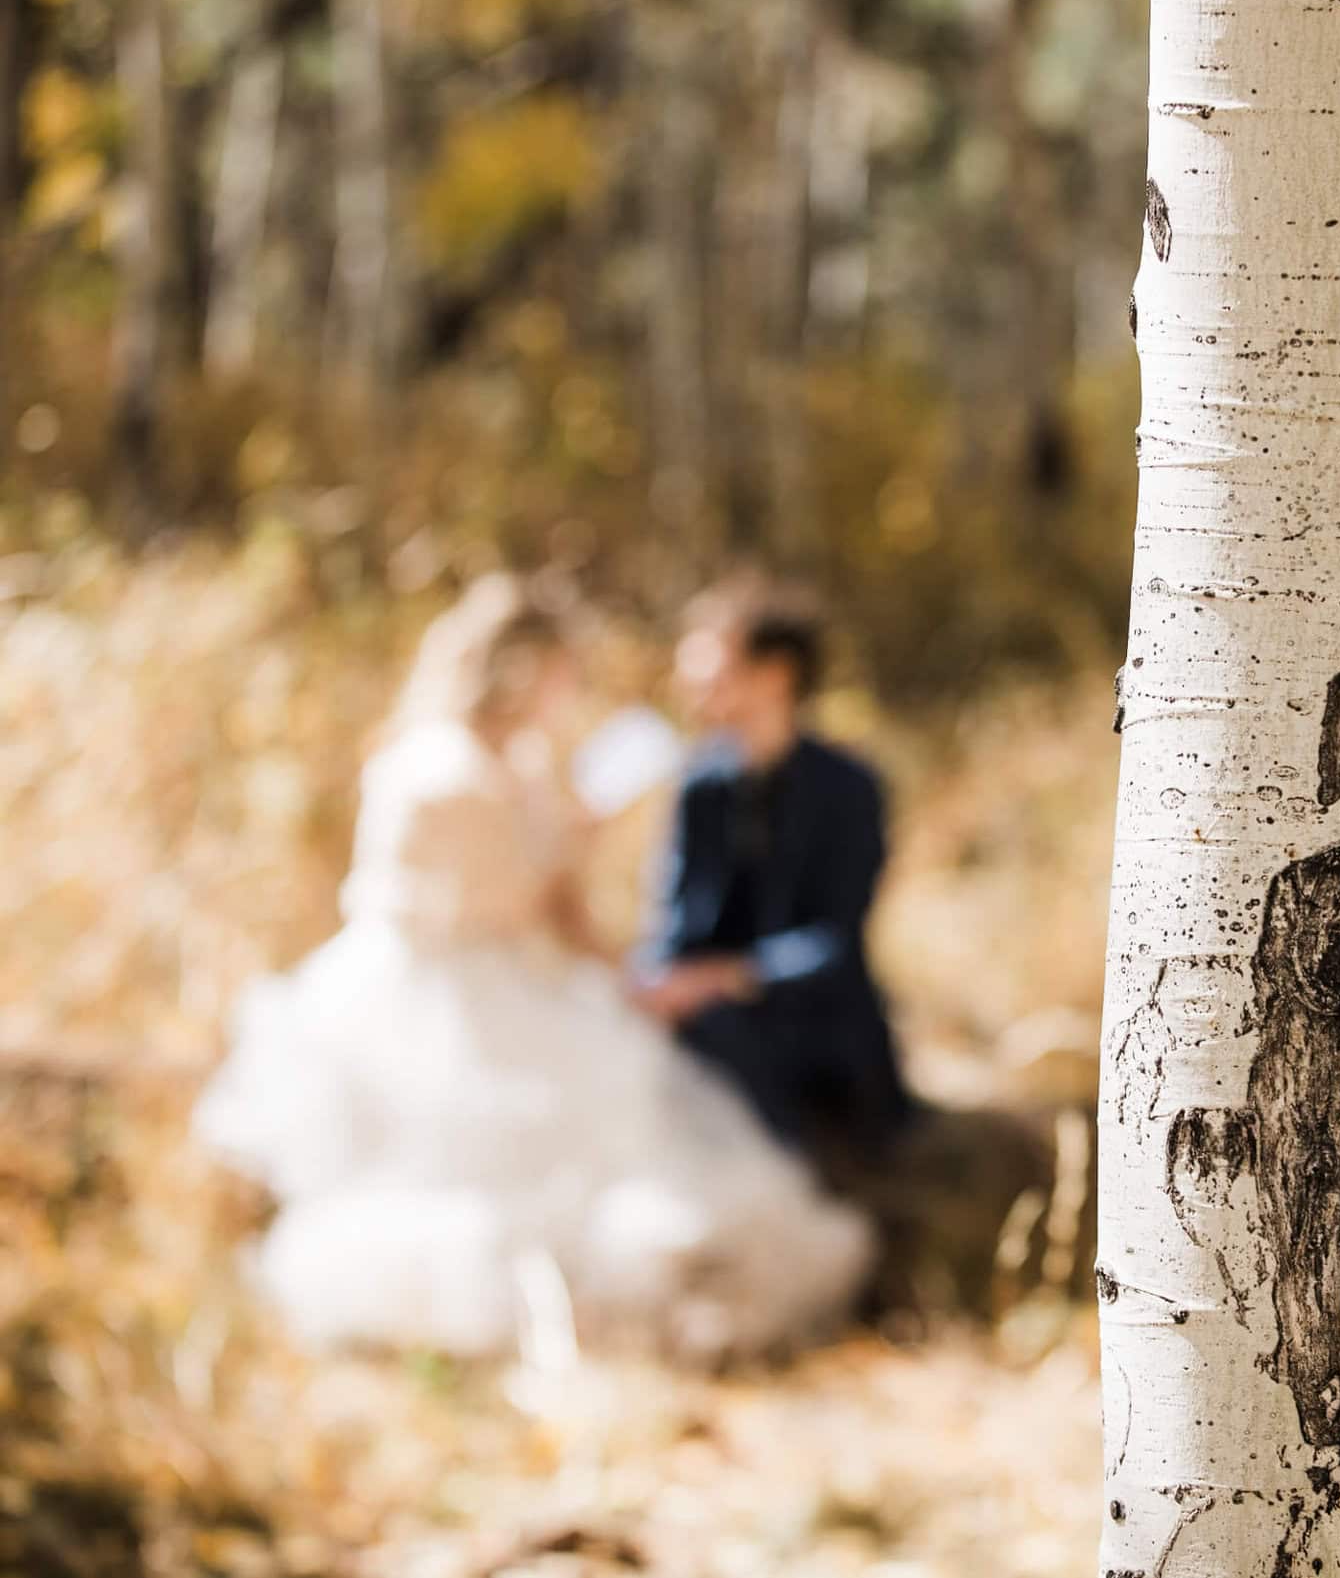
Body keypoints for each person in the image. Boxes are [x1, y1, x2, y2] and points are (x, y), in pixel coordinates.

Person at [194, 574, 872, 1360]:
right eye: (565, 670)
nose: (573, 688)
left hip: (524, 975)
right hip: (440, 988)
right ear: (526, 668)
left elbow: (564, 906)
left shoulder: (524, 760)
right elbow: (500, 899)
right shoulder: (447, 767)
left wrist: (615, 940)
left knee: (619, 1100)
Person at [628, 578, 913, 1172]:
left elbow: (834, 943)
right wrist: (655, 983)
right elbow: (674, 919)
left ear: (776, 674)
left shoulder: (850, 788)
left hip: (816, 1026)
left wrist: (722, 979)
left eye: (712, 672)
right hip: (716, 1021)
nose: (690, 688)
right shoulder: (699, 785)